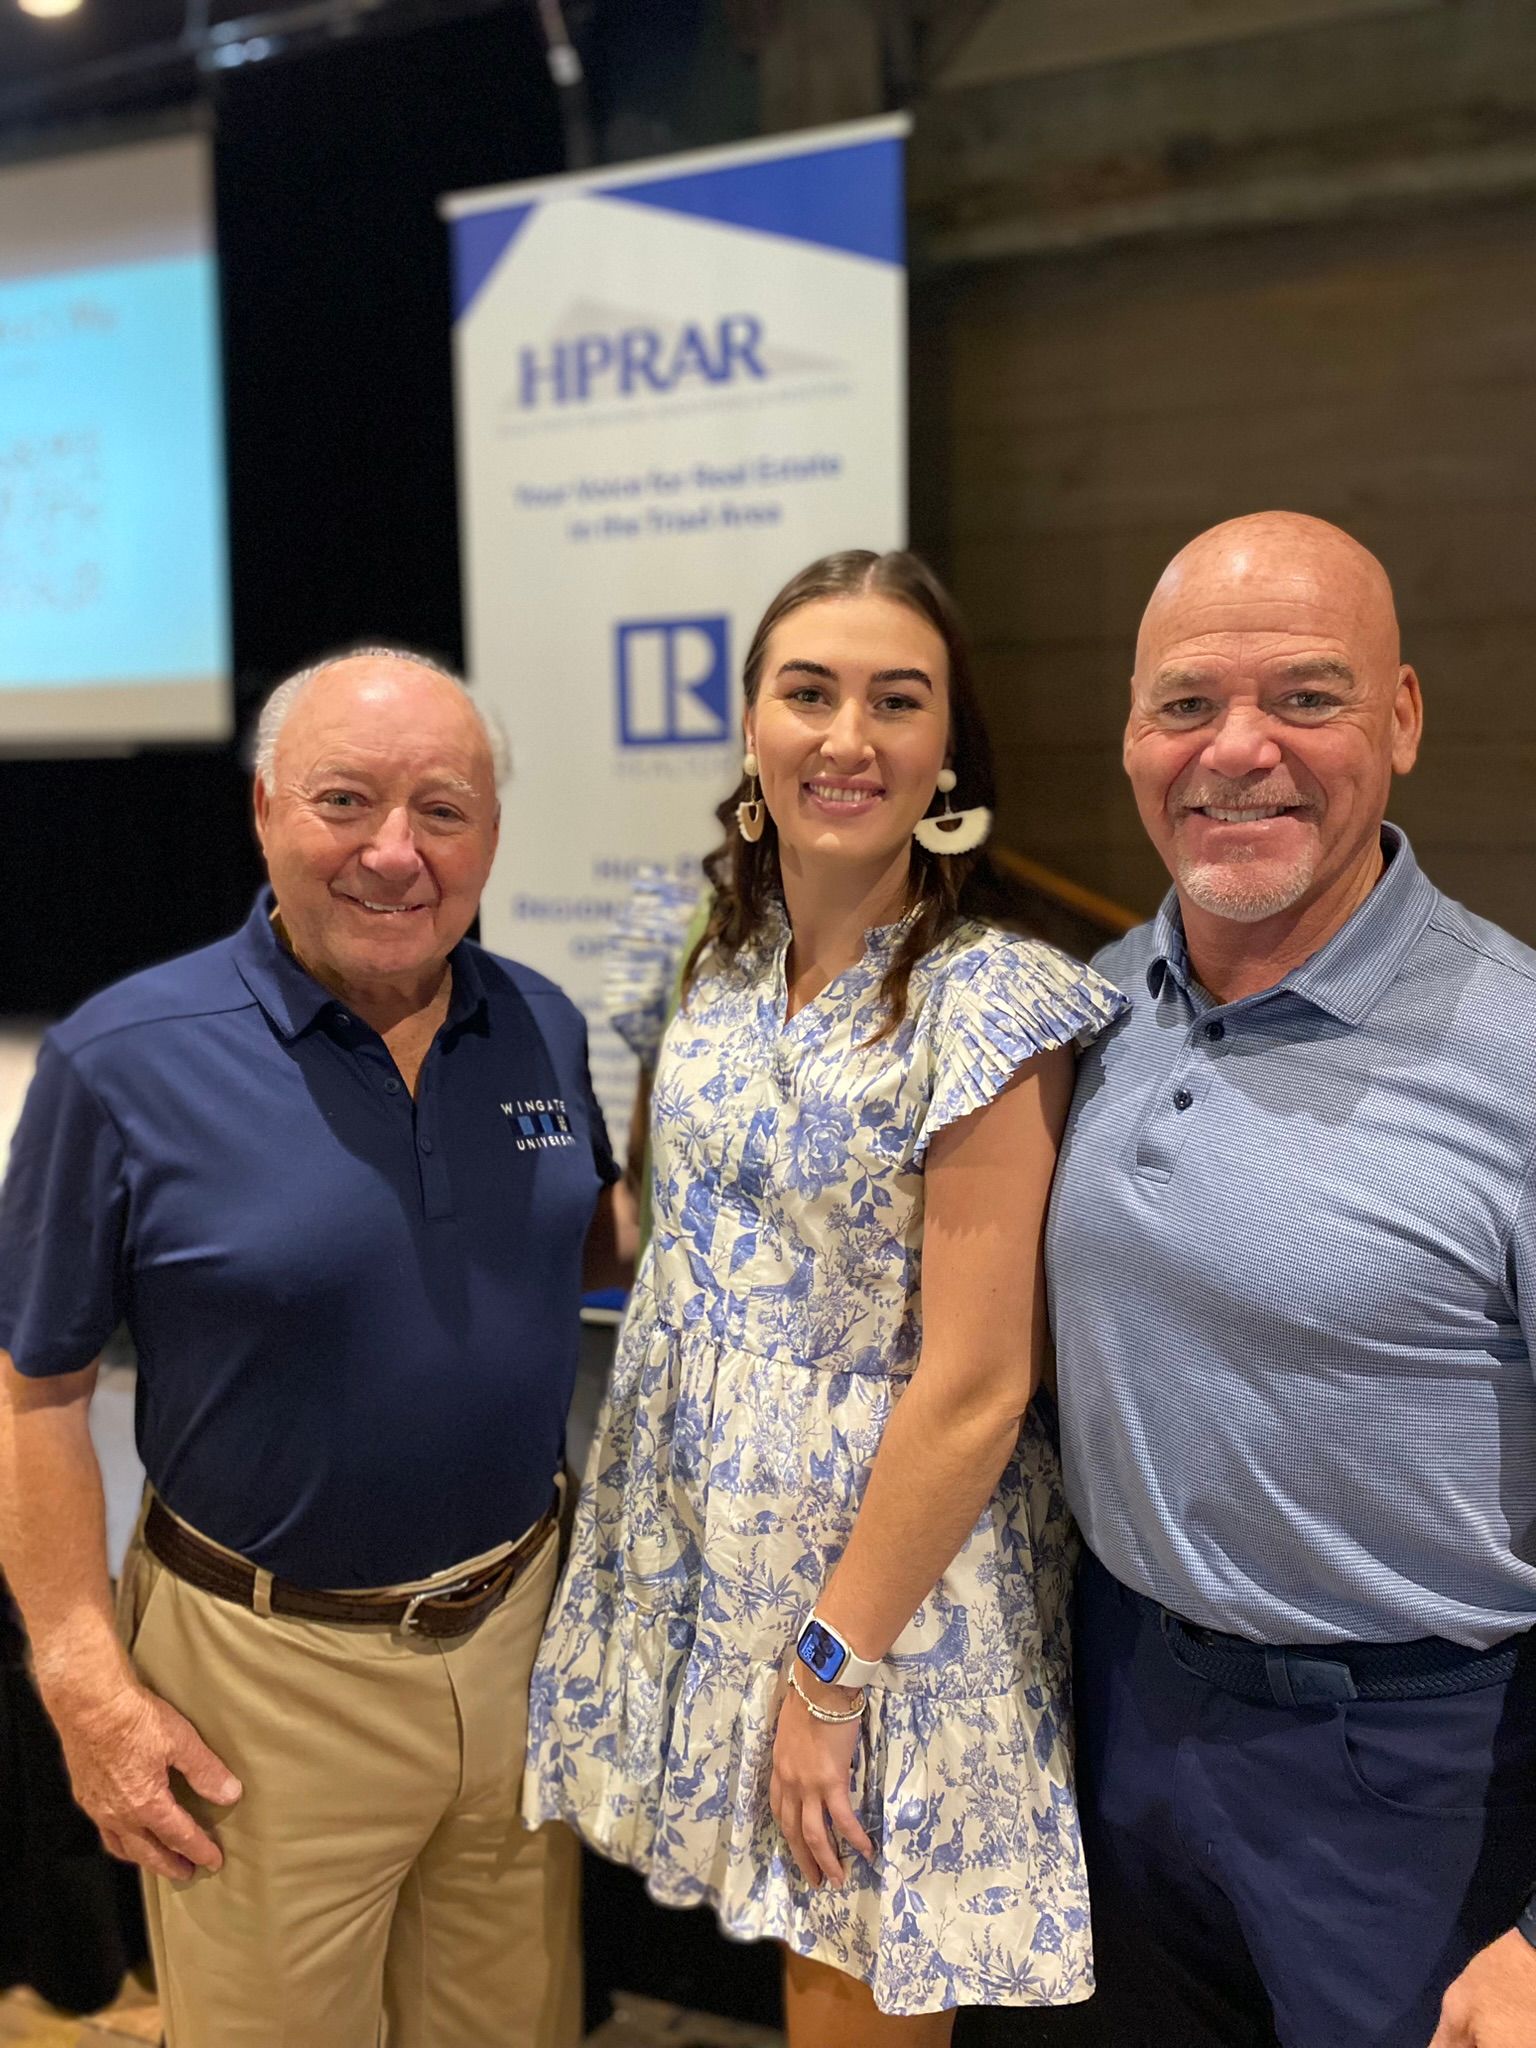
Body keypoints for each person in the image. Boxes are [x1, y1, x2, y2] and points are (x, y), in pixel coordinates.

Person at [524, 550, 1126, 2042]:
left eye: (895, 701)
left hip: (881, 1607)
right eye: (809, 692)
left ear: (945, 758)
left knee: (853, 1981)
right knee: (790, 1969)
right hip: (712, 1551)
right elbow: (668, 1235)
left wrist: (831, 1670)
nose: (846, 737)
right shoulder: (723, 961)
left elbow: (983, 1381)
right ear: (750, 728)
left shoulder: (991, 998)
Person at [0, 648, 622, 2048]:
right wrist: (82, 1673)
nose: (395, 852)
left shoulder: (540, 1025)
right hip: (261, 1689)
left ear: (493, 834)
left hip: (520, 1643)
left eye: (443, 810)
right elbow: (29, 1384)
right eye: (347, 801)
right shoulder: (122, 1061)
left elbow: (576, 1239)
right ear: (267, 809)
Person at [1046, 512, 1536, 2048]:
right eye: (1187, 704)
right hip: (1122, 1721)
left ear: (1398, 718)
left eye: (1305, 699)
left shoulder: (1519, 1056)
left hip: (1415, 1782)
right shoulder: (1087, 1012)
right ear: (1133, 735)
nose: (1236, 750)